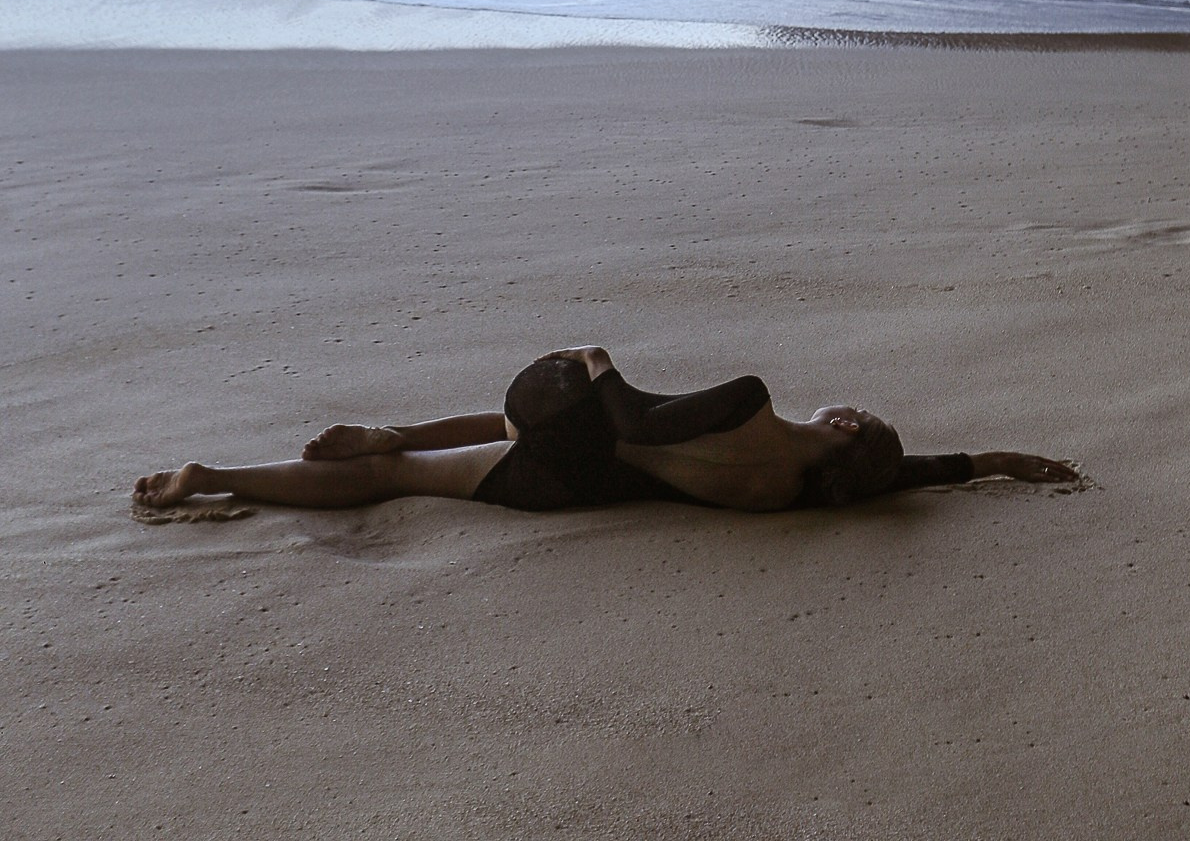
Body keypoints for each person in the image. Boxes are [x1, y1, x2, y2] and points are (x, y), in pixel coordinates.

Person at [133, 345, 1078, 516]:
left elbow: (637, 418)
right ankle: (221, 475)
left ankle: (217, 471)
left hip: (583, 441)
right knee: (418, 467)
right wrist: (995, 463)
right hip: (577, 484)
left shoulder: (752, 401)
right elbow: (909, 473)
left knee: (517, 418)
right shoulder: (803, 491)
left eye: (856, 414)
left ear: (843, 426)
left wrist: (595, 359)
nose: (851, 409)